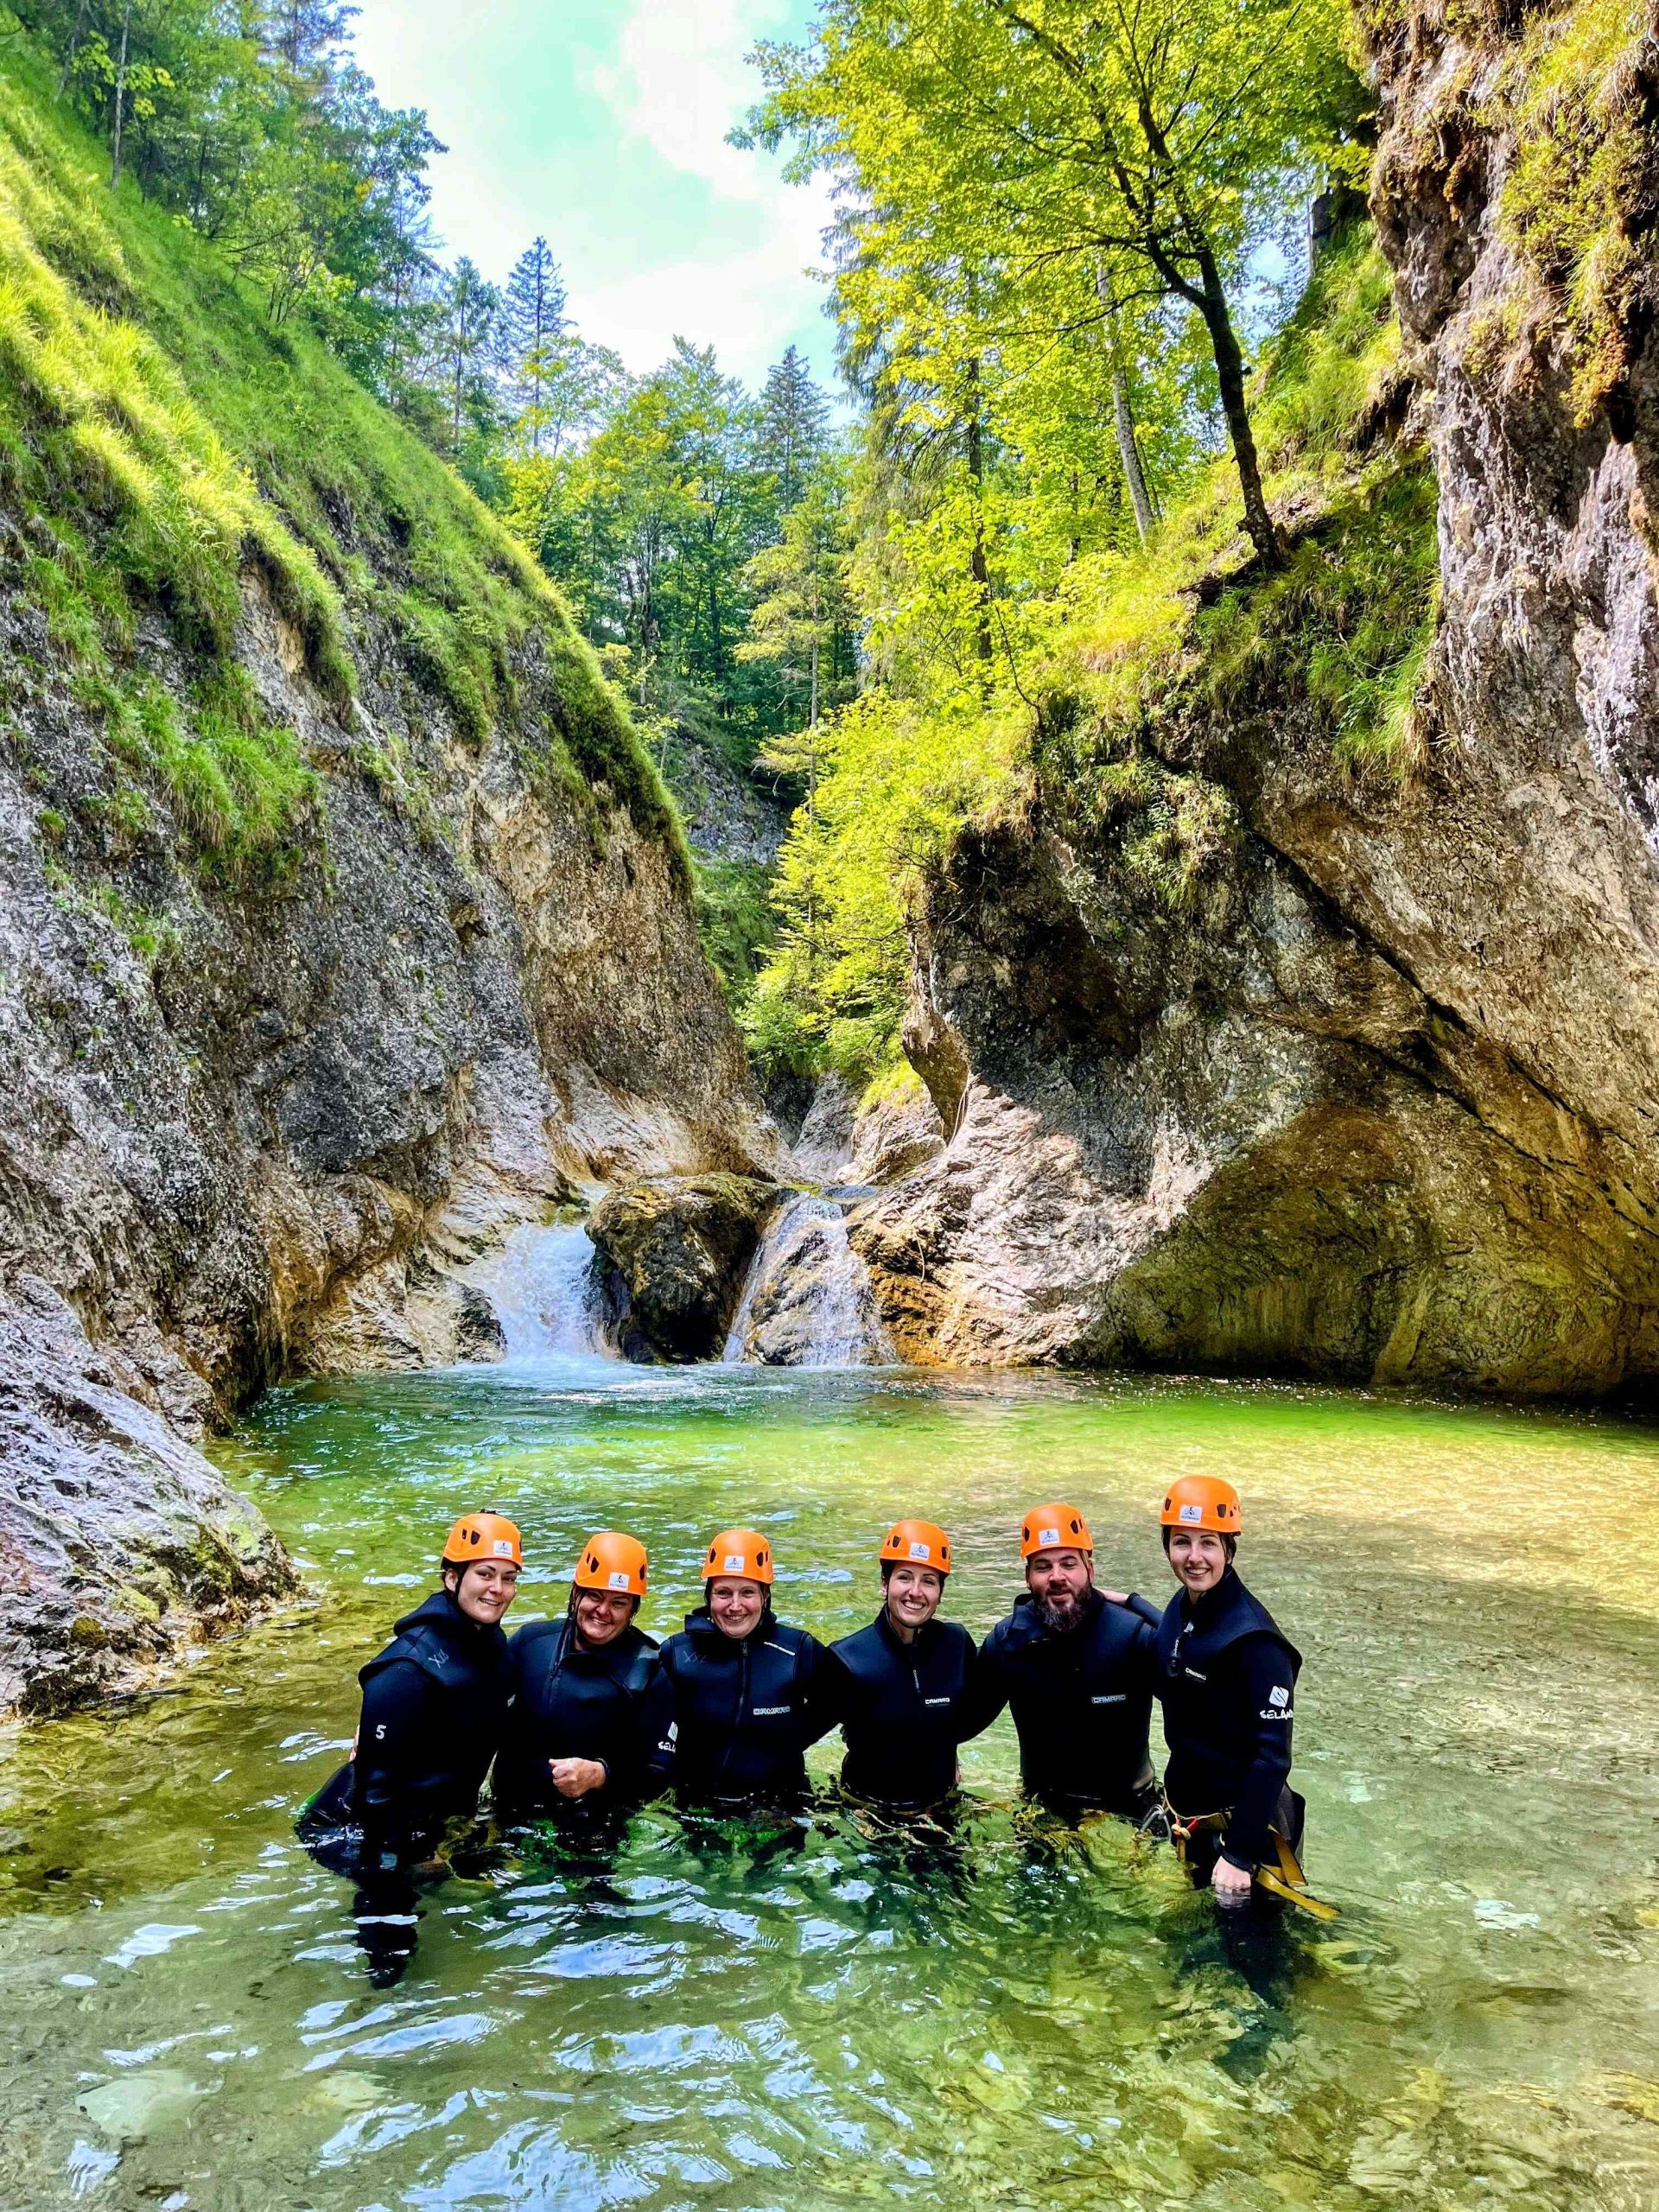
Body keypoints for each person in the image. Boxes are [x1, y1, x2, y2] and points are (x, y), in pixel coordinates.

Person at [296, 1510, 522, 1980]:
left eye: (508, 1578)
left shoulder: (491, 1646)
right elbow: (376, 1795)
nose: (497, 1589)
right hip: (354, 1826)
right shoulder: (407, 1666)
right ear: (452, 1577)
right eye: (485, 1574)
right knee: (393, 1954)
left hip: (433, 1815)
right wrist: (416, 1855)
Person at [1153, 1475, 1335, 1918]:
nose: (1194, 1557)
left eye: (1208, 1544)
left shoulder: (1257, 1643)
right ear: (1167, 1547)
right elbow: (1178, 1645)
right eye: (1182, 1542)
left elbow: (1273, 1758)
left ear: (1229, 1550)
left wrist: (1238, 1854)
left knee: (1255, 1947)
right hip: (1198, 1823)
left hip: (1249, 1832)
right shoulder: (1185, 1606)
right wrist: (1130, 1601)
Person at [977, 1501, 1165, 1824]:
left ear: (1090, 1570)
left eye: (1068, 1564)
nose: (1057, 1577)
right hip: (1043, 1807)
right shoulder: (1009, 1642)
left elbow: (1195, 1678)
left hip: (1133, 1805)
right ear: (1027, 1578)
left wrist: (1136, 1603)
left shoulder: (1132, 1635)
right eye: (1042, 1566)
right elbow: (960, 1721)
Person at [493, 1531, 675, 1828]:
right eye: (594, 1596)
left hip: (594, 1823)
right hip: (510, 1811)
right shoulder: (530, 1644)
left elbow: (660, 1770)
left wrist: (601, 1774)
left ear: (633, 1609)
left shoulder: (649, 1669)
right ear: (576, 1594)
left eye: (618, 1603)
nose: (603, 1611)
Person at [657, 1527, 842, 1810]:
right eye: (723, 1593)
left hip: (779, 1804)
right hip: (697, 1805)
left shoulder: (797, 1650)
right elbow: (650, 1727)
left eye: (747, 1592)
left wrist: (790, 1743)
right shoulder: (677, 1654)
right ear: (708, 1596)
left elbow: (838, 1701)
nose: (735, 1606)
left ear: (765, 1595)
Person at [830, 1519, 988, 1812]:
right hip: (868, 1813)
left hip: (941, 1806)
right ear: (884, 1583)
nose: (915, 1592)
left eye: (928, 1581)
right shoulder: (847, 1658)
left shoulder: (956, 1644)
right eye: (904, 1577)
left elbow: (973, 1709)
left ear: (940, 1592)